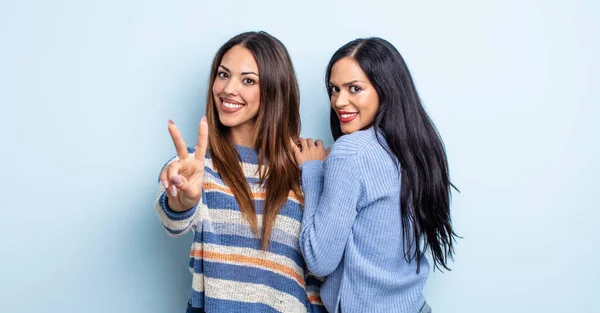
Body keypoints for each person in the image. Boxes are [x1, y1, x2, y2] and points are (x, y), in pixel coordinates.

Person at [154, 31, 325, 313]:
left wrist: (316, 173)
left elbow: (319, 276)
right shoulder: (196, 164)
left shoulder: (304, 169)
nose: (228, 89)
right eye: (223, 75)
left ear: (274, 89)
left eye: (248, 80)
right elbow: (173, 219)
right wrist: (182, 201)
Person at [292, 37, 459, 313]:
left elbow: (319, 260)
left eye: (354, 89)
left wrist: (312, 172)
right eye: (334, 89)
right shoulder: (414, 146)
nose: (339, 101)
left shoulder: (351, 153)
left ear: (385, 89)